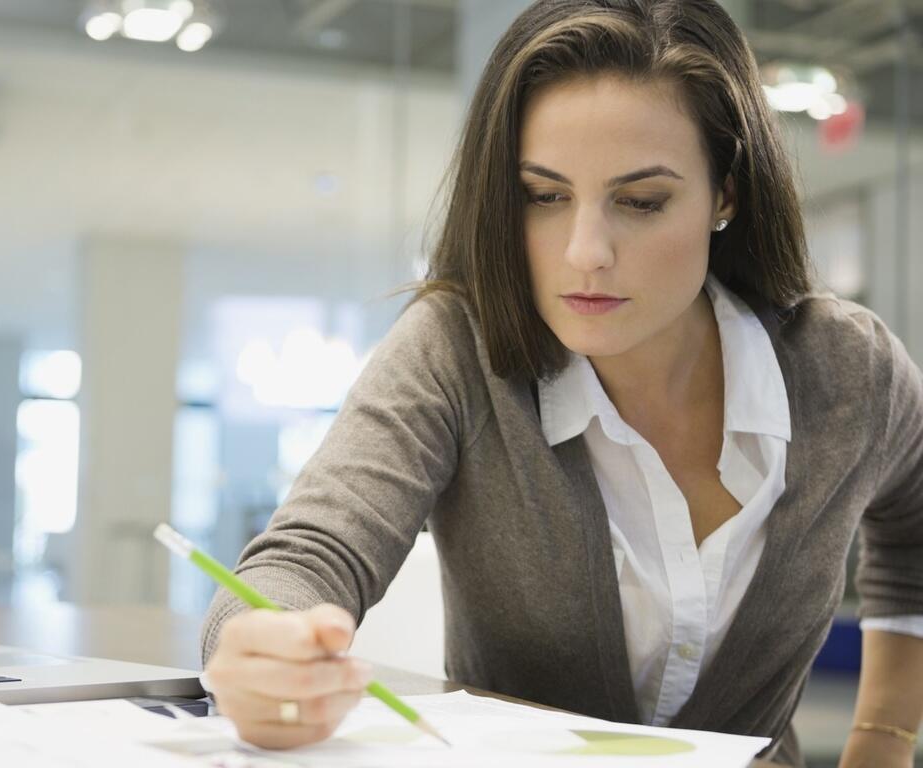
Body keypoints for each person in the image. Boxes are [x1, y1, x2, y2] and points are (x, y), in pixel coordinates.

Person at [200, 2, 923, 765]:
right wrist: (260, 641)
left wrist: (883, 737)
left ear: (726, 194)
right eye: (543, 196)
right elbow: (312, 549)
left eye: (641, 202)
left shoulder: (847, 371)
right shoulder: (456, 350)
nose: (586, 252)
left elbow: (913, 535)